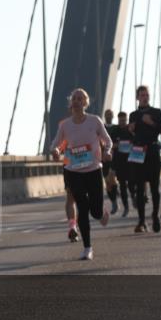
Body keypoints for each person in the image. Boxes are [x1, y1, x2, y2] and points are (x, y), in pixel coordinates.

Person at [51, 88, 113, 260]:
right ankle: (87, 248)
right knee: (82, 210)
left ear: (85, 103)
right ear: (71, 103)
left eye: (80, 99)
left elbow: (107, 141)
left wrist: (107, 151)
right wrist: (56, 151)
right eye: (74, 98)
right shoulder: (65, 125)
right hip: (74, 172)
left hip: (93, 170)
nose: (77, 101)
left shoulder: (95, 121)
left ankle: (101, 213)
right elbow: (56, 143)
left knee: (95, 212)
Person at [127, 85, 161, 233]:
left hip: (152, 150)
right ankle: (141, 221)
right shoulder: (133, 115)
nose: (145, 97)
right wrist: (131, 129)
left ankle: (155, 216)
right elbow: (132, 133)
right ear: (137, 97)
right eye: (142, 95)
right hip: (138, 151)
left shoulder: (156, 112)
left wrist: (151, 122)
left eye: (146, 95)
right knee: (139, 187)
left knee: (154, 187)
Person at [109, 111, 134, 217]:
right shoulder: (114, 131)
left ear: (126, 120)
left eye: (124, 120)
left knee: (132, 183)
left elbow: (137, 141)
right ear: (118, 120)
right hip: (119, 161)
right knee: (122, 185)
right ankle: (126, 207)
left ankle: (133, 197)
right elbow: (110, 144)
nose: (122, 122)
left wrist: (132, 141)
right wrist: (117, 144)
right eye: (120, 120)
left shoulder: (130, 130)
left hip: (130, 160)